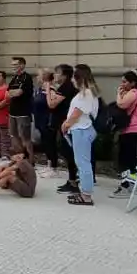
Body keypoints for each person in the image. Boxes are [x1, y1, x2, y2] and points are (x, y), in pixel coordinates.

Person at [61, 64, 99, 206]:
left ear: (79, 78)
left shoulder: (86, 93)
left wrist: (65, 125)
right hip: (82, 129)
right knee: (82, 162)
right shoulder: (88, 92)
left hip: (82, 129)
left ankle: (86, 195)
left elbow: (77, 113)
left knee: (83, 163)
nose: (71, 79)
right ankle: (84, 192)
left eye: (73, 77)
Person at [46, 64, 82, 195]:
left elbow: (51, 104)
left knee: (68, 152)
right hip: (63, 124)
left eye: (58, 73)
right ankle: (72, 180)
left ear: (65, 75)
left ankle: (74, 181)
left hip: (66, 125)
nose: (55, 76)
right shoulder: (64, 87)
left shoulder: (66, 87)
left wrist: (48, 89)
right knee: (66, 151)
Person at [111, 70, 137, 198]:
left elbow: (121, 104)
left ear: (133, 83)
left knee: (126, 159)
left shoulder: (133, 93)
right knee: (129, 158)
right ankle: (131, 185)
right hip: (134, 129)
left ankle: (126, 186)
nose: (122, 84)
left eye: (125, 82)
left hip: (131, 130)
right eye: (122, 81)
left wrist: (118, 94)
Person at [7, 57, 34, 160]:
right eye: (12, 65)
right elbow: (7, 93)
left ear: (22, 65)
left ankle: (30, 160)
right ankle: (19, 158)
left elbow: (19, 92)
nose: (13, 67)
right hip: (12, 112)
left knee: (25, 137)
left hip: (23, 113)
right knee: (13, 135)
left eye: (15, 65)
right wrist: (13, 92)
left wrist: (13, 92)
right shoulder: (14, 78)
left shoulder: (27, 77)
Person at [33, 69, 57, 177]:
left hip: (48, 121)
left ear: (44, 77)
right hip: (40, 120)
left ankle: (53, 168)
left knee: (50, 143)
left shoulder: (51, 89)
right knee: (45, 143)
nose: (36, 77)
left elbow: (53, 105)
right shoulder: (39, 89)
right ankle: (49, 165)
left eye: (38, 75)